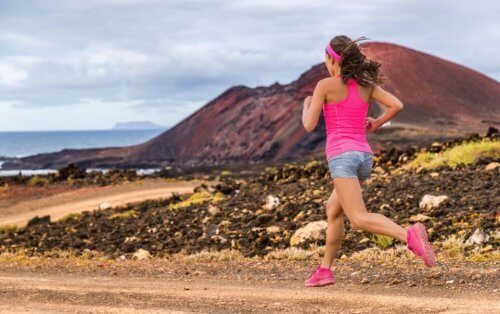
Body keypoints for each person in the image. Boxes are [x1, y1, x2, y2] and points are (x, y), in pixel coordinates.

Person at [301, 35, 436, 288]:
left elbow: (309, 125)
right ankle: (325, 270)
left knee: (359, 218)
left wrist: (307, 105)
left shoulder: (325, 85)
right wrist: (376, 122)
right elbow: (397, 104)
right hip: (363, 157)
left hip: (342, 157)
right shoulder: (366, 85)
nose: (326, 64)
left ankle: (408, 235)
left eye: (326, 59)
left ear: (333, 60)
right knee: (333, 209)